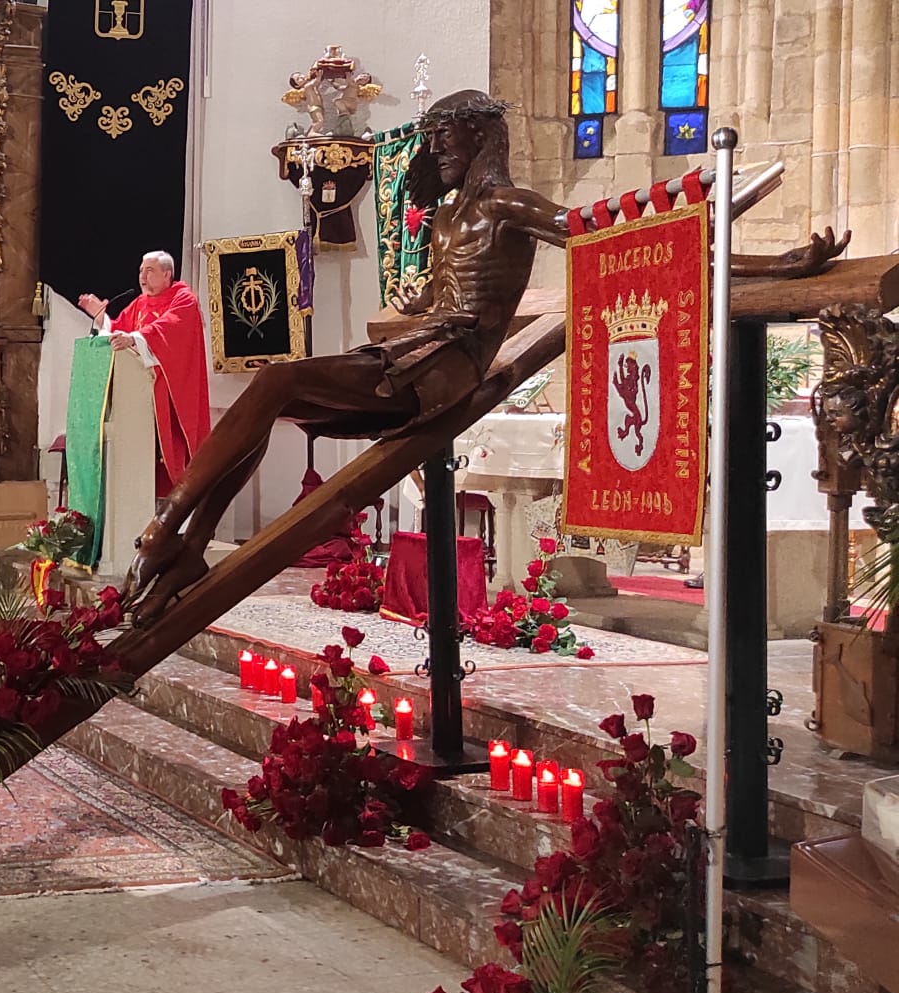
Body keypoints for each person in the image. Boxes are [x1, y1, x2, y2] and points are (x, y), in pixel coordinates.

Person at [120, 89, 848, 623]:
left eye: (448, 138)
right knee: (273, 395)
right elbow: (429, 293)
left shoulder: (508, 206)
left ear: (480, 137)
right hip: (407, 353)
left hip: (443, 369)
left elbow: (619, 240)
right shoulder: (445, 214)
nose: (437, 150)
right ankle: (192, 541)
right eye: (434, 139)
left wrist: (773, 265)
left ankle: (169, 528)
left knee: (278, 381)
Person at [78, 251, 211, 495]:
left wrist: (135, 338)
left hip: (171, 397)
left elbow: (168, 328)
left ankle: (178, 514)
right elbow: (118, 332)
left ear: (167, 274)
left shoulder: (183, 298)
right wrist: (101, 318)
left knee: (174, 459)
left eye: (149, 270)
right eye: (141, 270)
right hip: (138, 399)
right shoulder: (139, 303)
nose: (142, 276)